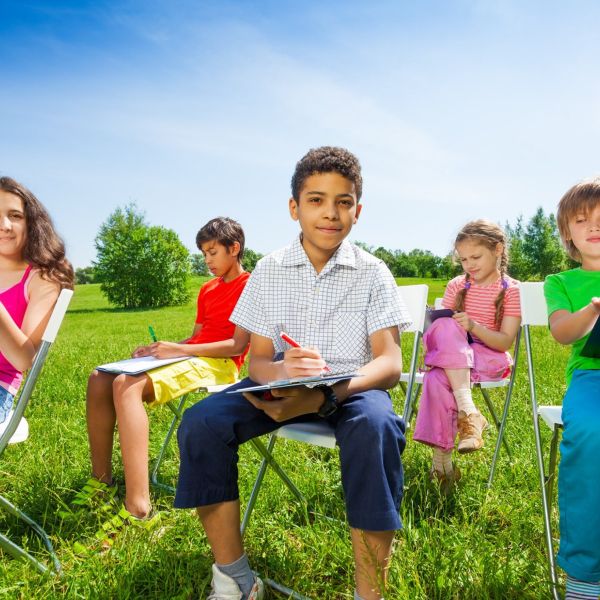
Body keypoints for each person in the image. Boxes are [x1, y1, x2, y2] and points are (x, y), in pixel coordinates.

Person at [175, 147, 412, 600]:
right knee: (201, 422)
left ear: (357, 212)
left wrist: (324, 397)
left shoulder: (373, 272)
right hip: (280, 388)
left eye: (343, 202)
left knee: (377, 427)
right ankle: (235, 579)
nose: (330, 213)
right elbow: (259, 361)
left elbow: (388, 364)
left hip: (353, 388)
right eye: (316, 200)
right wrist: (283, 370)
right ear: (294, 208)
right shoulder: (270, 270)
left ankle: (370, 593)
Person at [74, 217, 251, 537]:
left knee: (126, 385)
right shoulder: (207, 289)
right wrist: (162, 349)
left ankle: (138, 506)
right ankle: (101, 481)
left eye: (212, 252)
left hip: (221, 364)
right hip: (194, 356)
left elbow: (238, 344)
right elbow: (195, 337)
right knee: (99, 377)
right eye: (203, 254)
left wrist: (181, 351)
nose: (207, 260)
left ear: (234, 248)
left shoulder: (251, 285)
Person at [412, 220, 521, 491]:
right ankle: (468, 414)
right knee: (444, 333)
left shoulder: (511, 290)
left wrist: (473, 326)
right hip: (455, 357)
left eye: (476, 257)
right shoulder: (456, 285)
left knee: (438, 377)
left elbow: (505, 341)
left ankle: (441, 465)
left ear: (498, 249)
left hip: (489, 357)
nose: (469, 264)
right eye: (463, 259)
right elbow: (442, 330)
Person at [544, 178, 600, 600]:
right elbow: (563, 333)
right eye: (582, 220)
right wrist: (594, 309)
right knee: (590, 433)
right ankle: (585, 574)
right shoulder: (560, 282)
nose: (593, 227)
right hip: (591, 376)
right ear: (567, 232)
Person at [0, 176, 73, 429]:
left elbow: (24, 360)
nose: (4, 225)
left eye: (15, 216)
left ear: (30, 222)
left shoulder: (40, 278)